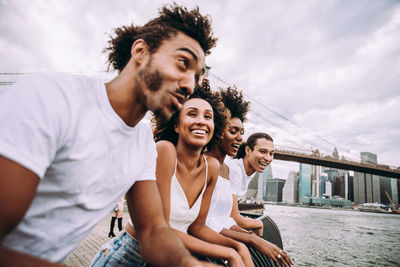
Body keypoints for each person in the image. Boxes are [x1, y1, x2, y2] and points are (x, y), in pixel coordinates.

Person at [0, 4, 217, 266]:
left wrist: (190, 264)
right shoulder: (49, 98)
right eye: (183, 63)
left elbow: (153, 231)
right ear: (140, 51)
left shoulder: (142, 144)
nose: (189, 85)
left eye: (196, 77)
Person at [91, 82, 252, 267]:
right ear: (176, 125)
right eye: (192, 114)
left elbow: (197, 227)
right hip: (129, 258)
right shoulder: (165, 151)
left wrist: (238, 247)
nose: (201, 121)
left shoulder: (211, 168)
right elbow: (162, 229)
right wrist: (228, 254)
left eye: (208, 117)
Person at [205, 88, 292, 267]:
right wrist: (253, 240)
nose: (239, 138)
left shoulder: (225, 170)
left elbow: (224, 219)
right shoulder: (215, 166)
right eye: (233, 131)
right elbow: (207, 222)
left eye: (271, 153)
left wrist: (252, 238)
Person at [226, 133, 275, 237]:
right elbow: (233, 217)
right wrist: (258, 223)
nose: (267, 158)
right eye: (262, 151)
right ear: (248, 150)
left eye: (271, 154)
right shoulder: (235, 170)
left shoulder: (248, 171)